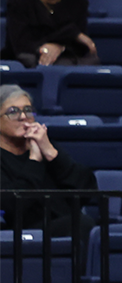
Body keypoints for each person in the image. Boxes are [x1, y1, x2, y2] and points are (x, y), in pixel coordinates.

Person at [0, 84, 96, 237]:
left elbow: (87, 190)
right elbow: (11, 205)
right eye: (13, 112)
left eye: (28, 110)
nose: (23, 117)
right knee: (81, 224)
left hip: (65, 226)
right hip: (22, 235)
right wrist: (34, 161)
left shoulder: (45, 146)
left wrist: (51, 153)